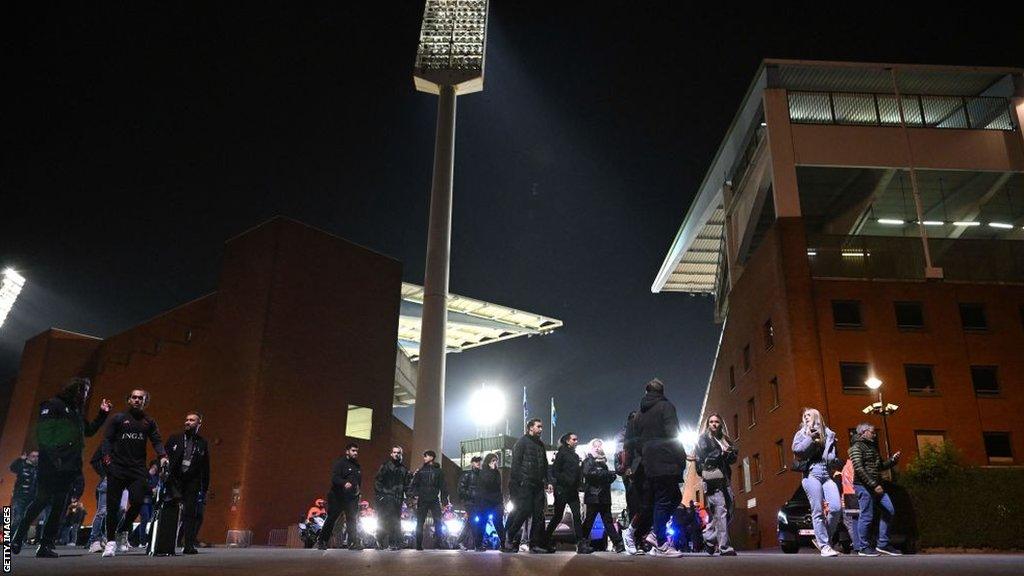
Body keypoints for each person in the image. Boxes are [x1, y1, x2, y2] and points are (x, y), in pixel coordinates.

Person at [10, 377, 111, 558]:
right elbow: (45, 434)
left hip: (69, 468)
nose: (86, 396)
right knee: (40, 501)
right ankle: (17, 537)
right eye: (85, 392)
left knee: (59, 506)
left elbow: (88, 431)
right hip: (51, 465)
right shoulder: (54, 405)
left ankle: (45, 545)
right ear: (76, 390)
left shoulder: (76, 412)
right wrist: (55, 459)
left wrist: (102, 414)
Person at [101, 389, 168, 557]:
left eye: (141, 398)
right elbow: (107, 440)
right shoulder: (118, 418)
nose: (137, 400)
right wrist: (107, 460)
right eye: (134, 397)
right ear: (129, 400)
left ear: (145, 401)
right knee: (112, 507)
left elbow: (157, 441)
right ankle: (110, 542)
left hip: (137, 469)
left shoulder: (149, 421)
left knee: (138, 502)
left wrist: (163, 456)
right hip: (118, 467)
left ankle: (122, 530)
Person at [628, 378, 686, 558]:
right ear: (662, 391)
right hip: (666, 458)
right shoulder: (666, 407)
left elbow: (635, 441)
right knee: (663, 499)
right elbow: (673, 434)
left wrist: (646, 453)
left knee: (674, 496)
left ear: (646, 391)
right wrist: (681, 458)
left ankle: (655, 535)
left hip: (649, 461)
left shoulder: (639, 414)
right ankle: (661, 542)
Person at [792, 407, 841, 557]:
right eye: (804, 416)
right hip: (811, 473)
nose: (806, 417)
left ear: (816, 416)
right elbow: (797, 451)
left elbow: (833, 456)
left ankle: (821, 538)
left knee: (836, 508)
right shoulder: (801, 434)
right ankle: (825, 545)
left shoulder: (829, 433)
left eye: (809, 415)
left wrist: (835, 460)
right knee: (817, 510)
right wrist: (810, 439)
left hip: (827, 473)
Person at [849, 422, 902, 557]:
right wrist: (874, 485)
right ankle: (863, 547)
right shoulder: (856, 447)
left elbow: (879, 467)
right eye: (872, 432)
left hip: (876, 485)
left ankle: (883, 544)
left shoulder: (872, 447)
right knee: (866, 515)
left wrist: (892, 461)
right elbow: (859, 469)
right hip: (863, 485)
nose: (874, 434)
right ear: (863, 432)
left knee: (889, 510)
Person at [503, 418, 553, 554]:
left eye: (542, 427)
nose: (541, 429)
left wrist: (548, 481)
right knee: (524, 510)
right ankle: (509, 536)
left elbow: (545, 464)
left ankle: (534, 544)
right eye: (538, 426)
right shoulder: (521, 442)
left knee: (538, 514)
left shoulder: (541, 445)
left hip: (538, 485)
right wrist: (516, 484)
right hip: (525, 484)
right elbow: (515, 465)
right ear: (530, 427)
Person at [164, 410, 211, 554]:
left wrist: (205, 488)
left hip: (192, 482)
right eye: (187, 419)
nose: (188, 422)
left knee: (190, 513)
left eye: (192, 420)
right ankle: (165, 542)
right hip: (175, 480)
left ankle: (188, 544)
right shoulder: (175, 438)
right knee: (170, 510)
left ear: (199, 424)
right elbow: (163, 455)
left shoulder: (202, 443)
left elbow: (206, 466)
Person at [695, 412, 738, 556]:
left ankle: (709, 537)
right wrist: (720, 454)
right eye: (711, 421)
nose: (714, 424)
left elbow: (732, 459)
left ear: (721, 424)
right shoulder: (703, 439)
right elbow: (703, 460)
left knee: (730, 511)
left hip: (725, 478)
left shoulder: (725, 439)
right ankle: (724, 546)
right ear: (708, 424)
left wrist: (730, 453)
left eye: (717, 422)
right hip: (712, 479)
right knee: (721, 510)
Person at [544, 432, 591, 554]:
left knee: (577, 516)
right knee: (558, 516)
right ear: (567, 441)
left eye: (577, 439)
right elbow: (555, 471)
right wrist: (566, 480)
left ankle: (581, 543)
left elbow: (577, 474)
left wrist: (579, 484)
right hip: (562, 490)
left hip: (572, 491)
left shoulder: (575, 456)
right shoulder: (562, 454)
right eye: (574, 439)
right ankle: (545, 539)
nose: (576, 441)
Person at [581, 439, 625, 553]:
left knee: (608, 521)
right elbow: (588, 474)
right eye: (595, 446)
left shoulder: (604, 463)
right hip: (593, 496)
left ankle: (618, 543)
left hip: (604, 496)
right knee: (589, 520)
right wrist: (606, 474)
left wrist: (609, 475)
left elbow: (611, 477)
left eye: (599, 446)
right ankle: (582, 542)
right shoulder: (588, 461)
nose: (597, 448)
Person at [318, 443, 362, 550]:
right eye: (353, 450)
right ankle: (322, 541)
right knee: (332, 518)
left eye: (356, 451)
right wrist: (344, 483)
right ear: (347, 451)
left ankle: (353, 543)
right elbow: (334, 478)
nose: (355, 453)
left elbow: (358, 482)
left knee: (352, 520)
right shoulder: (340, 463)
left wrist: (358, 493)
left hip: (351, 498)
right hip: (338, 497)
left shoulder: (357, 466)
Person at [409, 450, 448, 550]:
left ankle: (438, 543)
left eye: (425, 456)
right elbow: (414, 484)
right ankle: (418, 544)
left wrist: (444, 501)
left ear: (431, 457)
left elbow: (443, 487)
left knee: (437, 522)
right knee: (420, 522)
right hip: (423, 499)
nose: (424, 458)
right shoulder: (421, 471)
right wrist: (415, 495)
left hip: (433, 499)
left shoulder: (438, 471)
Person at [375, 445, 408, 550]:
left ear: (401, 454)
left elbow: (406, 485)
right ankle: (385, 541)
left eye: (398, 453)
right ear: (391, 454)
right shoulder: (385, 466)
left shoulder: (403, 469)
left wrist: (409, 497)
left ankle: (390, 542)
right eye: (394, 452)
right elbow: (378, 481)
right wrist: (383, 494)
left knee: (395, 520)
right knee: (386, 520)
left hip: (398, 499)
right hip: (387, 498)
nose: (396, 454)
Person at [475, 453, 505, 551]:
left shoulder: (497, 472)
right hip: (485, 501)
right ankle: (478, 545)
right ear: (488, 462)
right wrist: (491, 471)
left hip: (496, 501)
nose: (495, 463)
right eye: (493, 460)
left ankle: (504, 544)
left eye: (496, 460)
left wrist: (501, 502)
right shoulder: (483, 472)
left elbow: (497, 485)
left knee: (498, 522)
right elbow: (488, 483)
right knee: (482, 523)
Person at [86, 446, 110, 552]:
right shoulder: (106, 444)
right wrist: (104, 474)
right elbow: (94, 460)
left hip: (118, 481)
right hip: (108, 481)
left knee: (117, 511)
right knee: (102, 511)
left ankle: (104, 539)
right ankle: (94, 541)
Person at [8, 451, 39, 532]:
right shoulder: (22, 465)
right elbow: (12, 468)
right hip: (20, 497)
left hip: (32, 498)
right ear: (28, 457)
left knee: (26, 519)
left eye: (37, 456)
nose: (35, 458)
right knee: (18, 518)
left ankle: (19, 540)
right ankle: (9, 539)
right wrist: (19, 460)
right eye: (33, 456)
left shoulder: (38, 469)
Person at [457, 456, 481, 550]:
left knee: (471, 522)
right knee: (473, 521)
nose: (478, 463)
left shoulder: (482, 475)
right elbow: (461, 489)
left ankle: (461, 541)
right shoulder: (467, 474)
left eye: (479, 461)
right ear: (472, 463)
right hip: (469, 502)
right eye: (476, 461)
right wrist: (471, 494)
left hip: (478, 503)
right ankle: (476, 545)